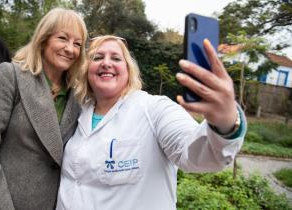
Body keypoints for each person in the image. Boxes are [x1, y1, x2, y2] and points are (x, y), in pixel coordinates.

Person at [56, 35, 247, 210]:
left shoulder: (154, 108)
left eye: (116, 58)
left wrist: (224, 123)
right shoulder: (77, 113)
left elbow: (196, 154)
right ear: (87, 70)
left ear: (129, 71)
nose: (106, 63)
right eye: (97, 58)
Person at [0, 8, 87, 210]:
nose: (70, 49)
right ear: (44, 39)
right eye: (63, 38)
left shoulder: (79, 96)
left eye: (77, 44)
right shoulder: (11, 76)